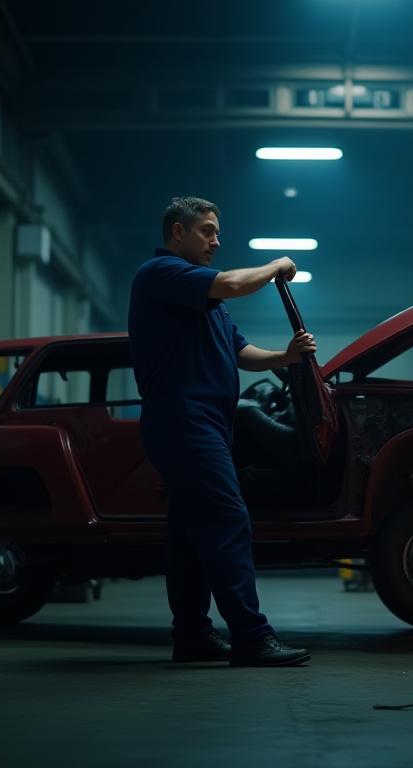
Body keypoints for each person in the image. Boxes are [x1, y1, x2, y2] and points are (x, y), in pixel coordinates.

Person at [128, 196, 315, 666]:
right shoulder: (161, 275)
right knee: (228, 519)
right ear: (178, 233)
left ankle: (190, 635)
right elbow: (233, 282)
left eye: (216, 231)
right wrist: (275, 265)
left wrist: (286, 356)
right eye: (207, 231)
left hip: (204, 422)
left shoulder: (205, 302)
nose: (216, 240)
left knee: (190, 533)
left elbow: (240, 351)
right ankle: (251, 636)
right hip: (183, 420)